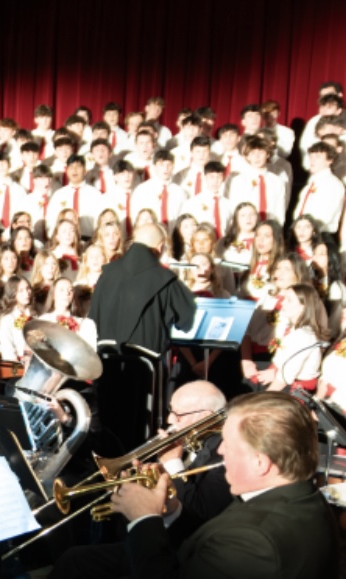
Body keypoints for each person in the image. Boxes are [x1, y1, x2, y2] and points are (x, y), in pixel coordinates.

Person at [111, 391, 340, 578]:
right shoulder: (297, 494)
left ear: (260, 463)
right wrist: (172, 511)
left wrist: (144, 519)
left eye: (228, 444)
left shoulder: (251, 541)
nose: (220, 451)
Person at [51, 380, 232, 579]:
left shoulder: (225, 452)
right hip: (154, 535)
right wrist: (153, 476)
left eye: (178, 415)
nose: (170, 419)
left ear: (205, 417)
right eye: (170, 410)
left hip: (182, 551)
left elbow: (200, 511)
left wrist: (172, 463)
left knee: (76, 561)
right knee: (74, 556)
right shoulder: (188, 439)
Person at [89, 223, 197, 448]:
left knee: (109, 426)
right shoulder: (164, 278)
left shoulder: (107, 274)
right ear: (160, 247)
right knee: (139, 431)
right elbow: (188, 320)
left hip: (106, 364)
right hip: (144, 369)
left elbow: (93, 319)